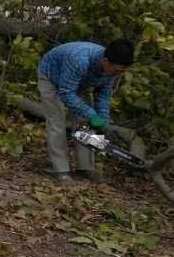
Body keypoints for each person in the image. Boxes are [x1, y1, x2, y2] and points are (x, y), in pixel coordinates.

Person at [37, 39, 134, 183]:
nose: (118, 74)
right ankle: (61, 170)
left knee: (85, 124)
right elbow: (66, 93)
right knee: (57, 122)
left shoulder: (111, 71)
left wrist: (103, 123)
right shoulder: (79, 60)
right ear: (105, 61)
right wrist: (92, 115)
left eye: (122, 71)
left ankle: (85, 168)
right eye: (117, 70)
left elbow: (103, 95)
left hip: (78, 82)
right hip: (51, 77)